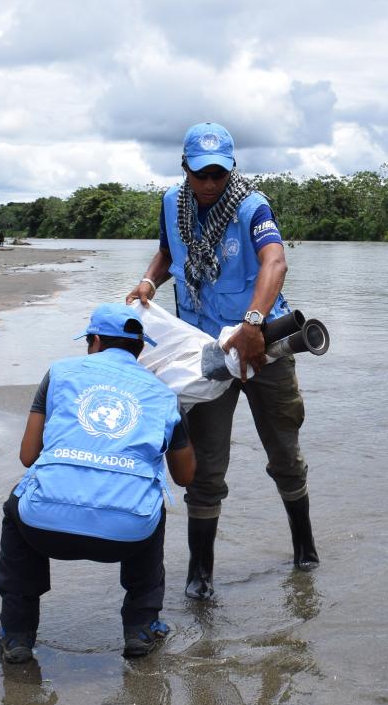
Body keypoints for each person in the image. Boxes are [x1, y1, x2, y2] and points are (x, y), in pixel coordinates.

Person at [125, 121, 318, 602]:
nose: (210, 184)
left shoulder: (252, 206)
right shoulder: (172, 203)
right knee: (205, 464)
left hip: (261, 346)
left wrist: (253, 323)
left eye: (218, 174)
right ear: (184, 169)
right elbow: (170, 252)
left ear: (231, 169)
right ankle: (201, 573)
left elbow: (274, 261)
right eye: (200, 174)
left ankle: (304, 547)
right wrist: (149, 281)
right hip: (203, 353)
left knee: (284, 451)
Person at [0, 303, 195, 663]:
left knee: (18, 505)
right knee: (152, 505)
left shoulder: (59, 373)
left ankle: (17, 633)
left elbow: (28, 455)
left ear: (95, 341)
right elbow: (185, 476)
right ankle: (141, 628)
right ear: (140, 349)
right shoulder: (164, 394)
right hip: (126, 536)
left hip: (44, 526)